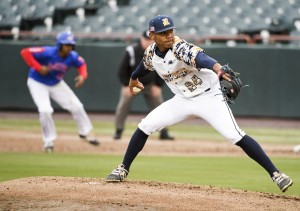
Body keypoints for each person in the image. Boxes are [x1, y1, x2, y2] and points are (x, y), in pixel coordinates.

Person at [106, 15, 293, 193]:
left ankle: (276, 174)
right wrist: (133, 78)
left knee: (234, 135)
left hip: (209, 97)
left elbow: (201, 58)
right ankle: (123, 168)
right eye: (163, 32)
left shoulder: (180, 47)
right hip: (182, 100)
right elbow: (144, 65)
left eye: (170, 30)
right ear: (152, 35)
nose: (169, 35)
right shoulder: (150, 53)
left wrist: (219, 69)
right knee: (146, 125)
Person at [20, 31, 100, 153]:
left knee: (77, 106)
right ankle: (48, 142)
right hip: (38, 82)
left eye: (71, 45)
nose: (69, 47)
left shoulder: (72, 56)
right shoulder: (47, 52)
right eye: (66, 44)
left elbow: (81, 63)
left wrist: (83, 76)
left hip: (56, 83)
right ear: (59, 44)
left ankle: (85, 133)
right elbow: (25, 52)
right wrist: (38, 67)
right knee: (45, 110)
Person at [114, 30, 174, 141]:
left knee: (160, 106)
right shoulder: (131, 51)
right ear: (141, 39)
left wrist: (158, 85)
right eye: (146, 40)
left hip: (150, 84)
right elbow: (122, 70)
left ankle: (164, 132)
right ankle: (118, 130)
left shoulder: (158, 51)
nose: (148, 42)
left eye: (150, 40)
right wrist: (126, 85)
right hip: (133, 84)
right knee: (123, 105)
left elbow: (164, 70)